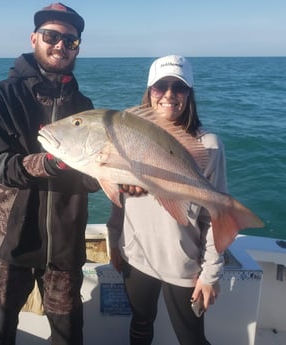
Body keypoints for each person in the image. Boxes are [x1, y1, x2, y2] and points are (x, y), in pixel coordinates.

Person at [0, 3, 100, 345]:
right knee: (1, 333)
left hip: (64, 250)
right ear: (35, 39)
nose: (61, 44)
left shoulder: (84, 108)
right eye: (52, 35)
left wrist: (112, 177)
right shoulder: (1, 96)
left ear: (77, 47)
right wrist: (48, 163)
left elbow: (88, 178)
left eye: (71, 40)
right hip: (10, 246)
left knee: (68, 335)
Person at [107, 55, 226, 345]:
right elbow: (116, 197)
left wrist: (210, 273)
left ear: (189, 94)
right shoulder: (126, 135)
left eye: (179, 87)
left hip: (183, 263)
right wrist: (115, 242)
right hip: (137, 257)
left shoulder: (207, 145)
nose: (169, 95)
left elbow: (215, 214)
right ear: (149, 92)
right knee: (140, 324)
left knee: (191, 338)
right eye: (161, 87)